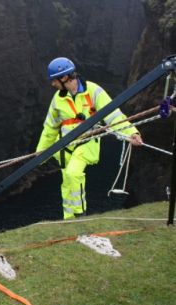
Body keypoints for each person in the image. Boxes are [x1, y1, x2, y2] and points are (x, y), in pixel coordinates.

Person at [36, 57, 143, 219]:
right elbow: (50, 128)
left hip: (87, 143)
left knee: (73, 173)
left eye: (54, 80)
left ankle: (80, 216)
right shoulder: (58, 99)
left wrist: (131, 133)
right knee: (67, 183)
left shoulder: (93, 91)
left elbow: (113, 116)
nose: (52, 84)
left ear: (65, 77)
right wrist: (41, 153)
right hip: (66, 147)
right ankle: (68, 219)